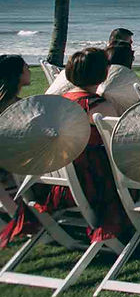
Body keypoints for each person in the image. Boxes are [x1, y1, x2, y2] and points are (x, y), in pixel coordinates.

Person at [2, 48, 126, 248]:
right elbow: (117, 147)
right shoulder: (101, 107)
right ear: (103, 74)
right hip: (92, 184)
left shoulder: (59, 102)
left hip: (55, 184)